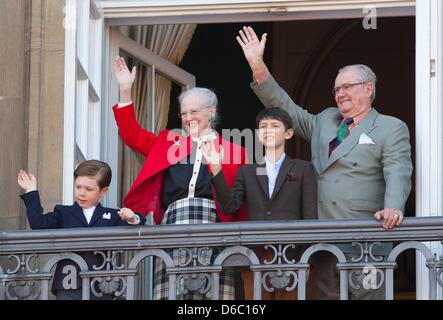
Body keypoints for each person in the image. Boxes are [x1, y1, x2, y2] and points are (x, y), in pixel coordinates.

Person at [236, 26, 413, 300]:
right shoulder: (326, 121)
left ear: (368, 89)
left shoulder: (390, 126)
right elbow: (286, 107)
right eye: (337, 89)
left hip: (365, 234)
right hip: (324, 237)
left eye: (347, 87)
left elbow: (397, 169)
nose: (340, 93)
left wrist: (394, 206)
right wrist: (258, 66)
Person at [112, 56, 248, 300]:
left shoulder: (236, 151)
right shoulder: (168, 143)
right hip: (173, 227)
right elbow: (131, 134)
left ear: (212, 112)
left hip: (216, 230)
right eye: (183, 113)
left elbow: (244, 200)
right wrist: (125, 89)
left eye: (194, 111)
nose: (188, 118)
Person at [201, 107, 317, 300]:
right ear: (258, 134)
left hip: (291, 255)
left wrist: (307, 261)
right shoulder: (247, 171)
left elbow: (310, 216)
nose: (268, 130)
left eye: (274, 126)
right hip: (254, 255)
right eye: (263, 126)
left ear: (289, 133)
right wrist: (216, 169)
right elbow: (230, 206)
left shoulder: (303, 168)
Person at [17, 160, 146, 300]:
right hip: (68, 283)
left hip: (102, 286)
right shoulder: (63, 212)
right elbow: (38, 224)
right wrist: (31, 190)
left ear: (103, 191)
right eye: (78, 187)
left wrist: (132, 218)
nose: (82, 193)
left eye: (89, 189)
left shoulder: (112, 216)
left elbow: (138, 223)